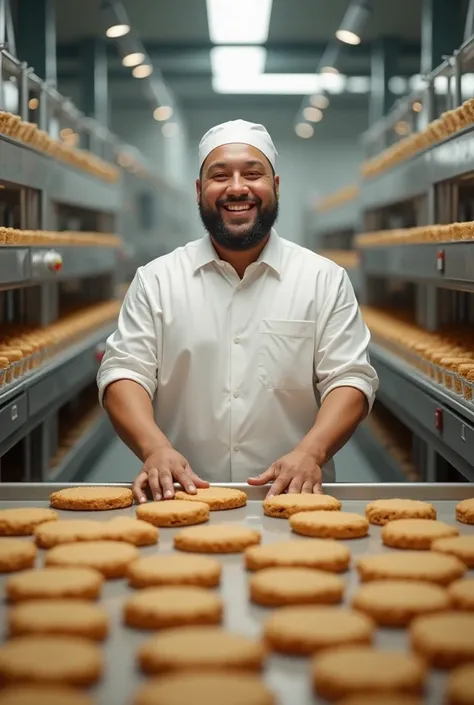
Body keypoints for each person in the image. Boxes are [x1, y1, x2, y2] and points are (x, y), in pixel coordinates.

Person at [97, 119, 379, 504]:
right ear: (199, 191)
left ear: (276, 186)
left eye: (252, 173)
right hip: (181, 498)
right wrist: (153, 448)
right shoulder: (157, 281)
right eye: (219, 176)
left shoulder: (323, 280)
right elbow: (124, 373)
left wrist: (311, 452)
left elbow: (350, 379)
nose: (236, 188)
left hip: (294, 498)